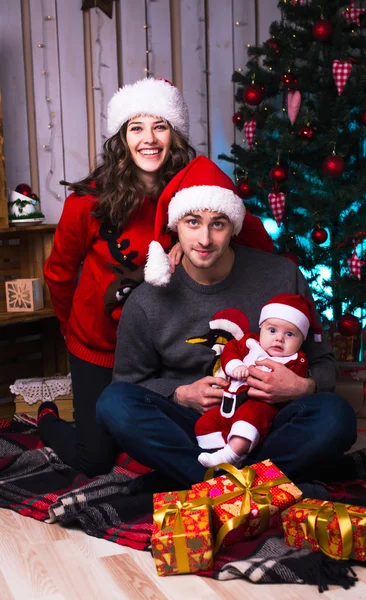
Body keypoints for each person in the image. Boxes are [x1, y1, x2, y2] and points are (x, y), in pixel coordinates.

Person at [40, 78, 274, 477]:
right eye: (136, 128)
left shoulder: (196, 194)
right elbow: (59, 273)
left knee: (193, 434)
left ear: (175, 135)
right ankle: (47, 419)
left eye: (160, 126)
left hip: (164, 350)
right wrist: (70, 330)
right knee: (94, 459)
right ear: (122, 138)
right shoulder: (87, 202)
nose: (149, 139)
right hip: (100, 344)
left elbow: (252, 238)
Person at [96, 156, 357, 490]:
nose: (204, 239)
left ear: (233, 226)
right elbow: (130, 384)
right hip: (194, 427)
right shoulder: (148, 300)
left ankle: (208, 485)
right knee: (113, 404)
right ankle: (254, 485)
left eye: (217, 223)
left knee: (336, 416)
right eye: (192, 223)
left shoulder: (280, 276)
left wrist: (301, 386)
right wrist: (180, 394)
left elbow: (324, 363)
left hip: (270, 419)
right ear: (176, 226)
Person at [195, 294, 321, 468]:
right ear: (260, 328)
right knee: (205, 424)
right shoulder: (250, 343)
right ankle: (219, 456)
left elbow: (295, 383)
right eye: (272, 330)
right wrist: (235, 365)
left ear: (302, 341)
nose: (279, 338)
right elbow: (230, 350)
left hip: (260, 405)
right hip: (228, 404)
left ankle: (232, 454)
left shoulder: (295, 359)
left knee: (249, 417)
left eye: (290, 334)